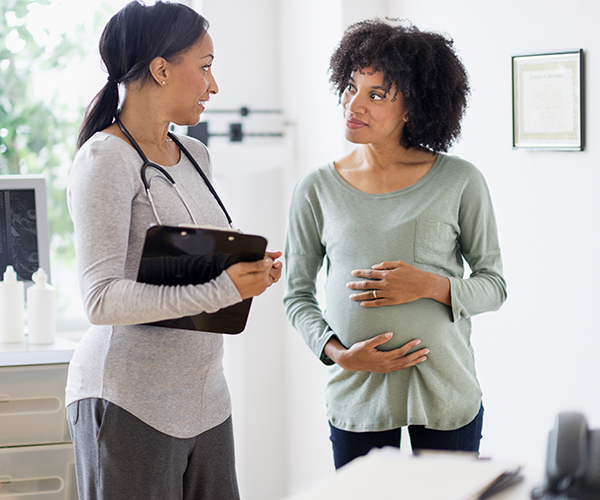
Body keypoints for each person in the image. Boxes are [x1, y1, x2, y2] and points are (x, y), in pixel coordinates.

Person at [66, 2, 281, 498]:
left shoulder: (195, 155)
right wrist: (218, 289)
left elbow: (194, 264)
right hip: (129, 400)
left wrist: (247, 273)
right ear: (161, 70)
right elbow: (100, 300)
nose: (214, 84)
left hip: (206, 400)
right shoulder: (105, 159)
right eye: (205, 67)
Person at [283, 19, 507, 470]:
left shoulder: (460, 180)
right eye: (350, 87)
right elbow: (297, 295)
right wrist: (338, 353)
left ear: (412, 106)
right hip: (357, 398)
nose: (354, 103)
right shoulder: (316, 189)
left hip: (447, 397)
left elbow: (493, 285)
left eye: (376, 94)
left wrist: (430, 285)